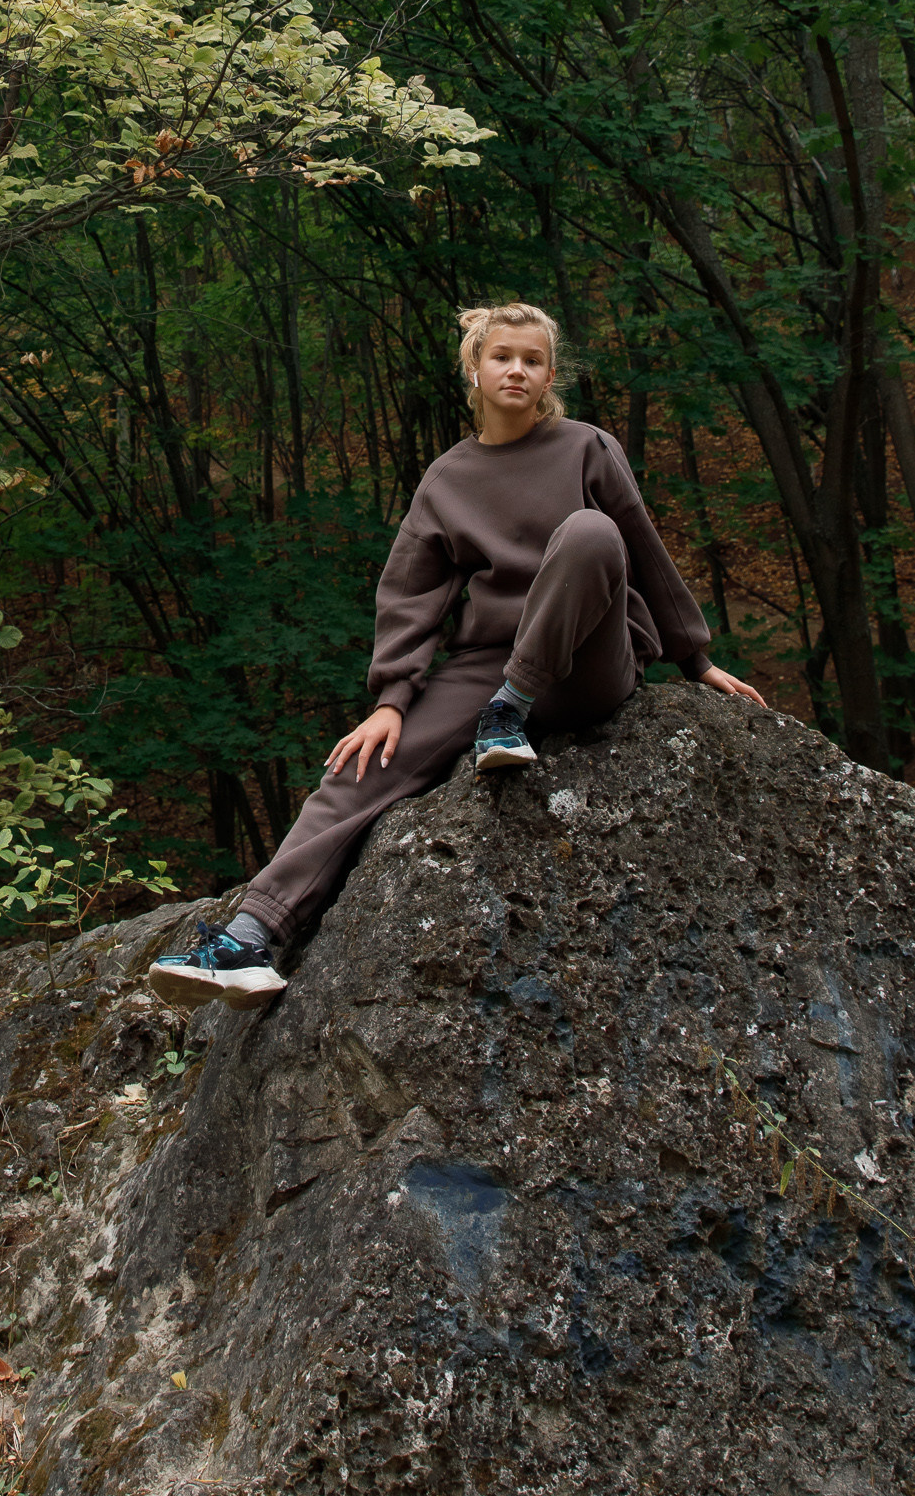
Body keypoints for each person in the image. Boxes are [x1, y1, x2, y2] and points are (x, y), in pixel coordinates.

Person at [149, 299, 767, 1009]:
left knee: (593, 532)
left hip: (587, 658)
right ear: (472, 370)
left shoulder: (586, 448)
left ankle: (510, 710)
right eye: (502, 356)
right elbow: (412, 596)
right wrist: (390, 701)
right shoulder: (447, 479)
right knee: (363, 761)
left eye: (532, 361)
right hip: (486, 666)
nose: (516, 370)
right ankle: (250, 939)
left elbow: (645, 555)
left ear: (548, 376)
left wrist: (696, 660)